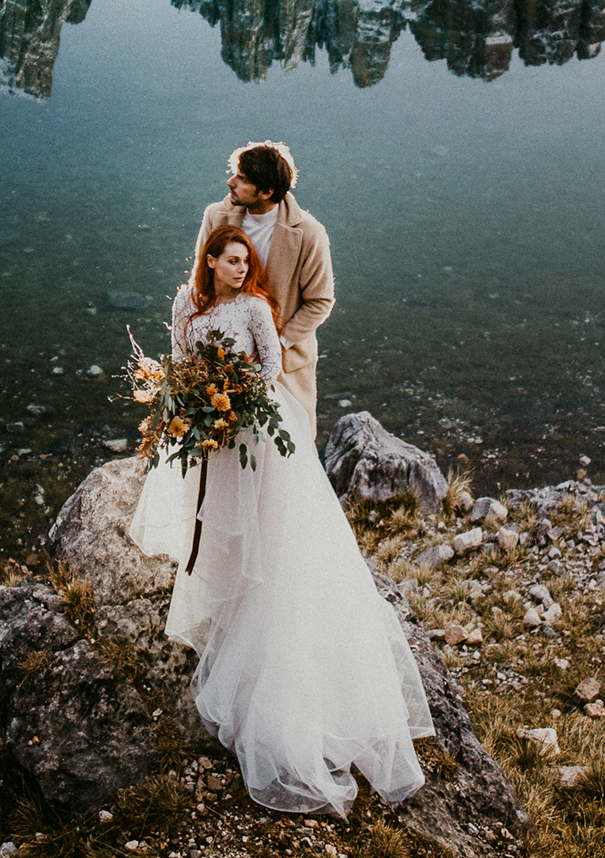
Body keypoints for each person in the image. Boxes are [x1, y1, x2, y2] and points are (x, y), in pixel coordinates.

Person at [128, 225, 433, 817]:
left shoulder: (254, 309)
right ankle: (227, 604)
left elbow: (270, 367)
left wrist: (231, 395)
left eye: (246, 261)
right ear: (210, 261)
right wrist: (193, 397)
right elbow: (179, 358)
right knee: (218, 526)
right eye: (232, 260)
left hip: (254, 431)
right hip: (212, 433)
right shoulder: (187, 302)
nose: (242, 269)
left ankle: (266, 642)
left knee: (268, 533)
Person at [192, 141, 334, 444]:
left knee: (284, 446)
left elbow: (320, 301)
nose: (230, 182)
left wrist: (275, 344)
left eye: (242, 178)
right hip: (222, 358)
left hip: (284, 363)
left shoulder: (309, 234)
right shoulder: (216, 216)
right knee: (224, 442)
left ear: (267, 192)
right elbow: (201, 280)